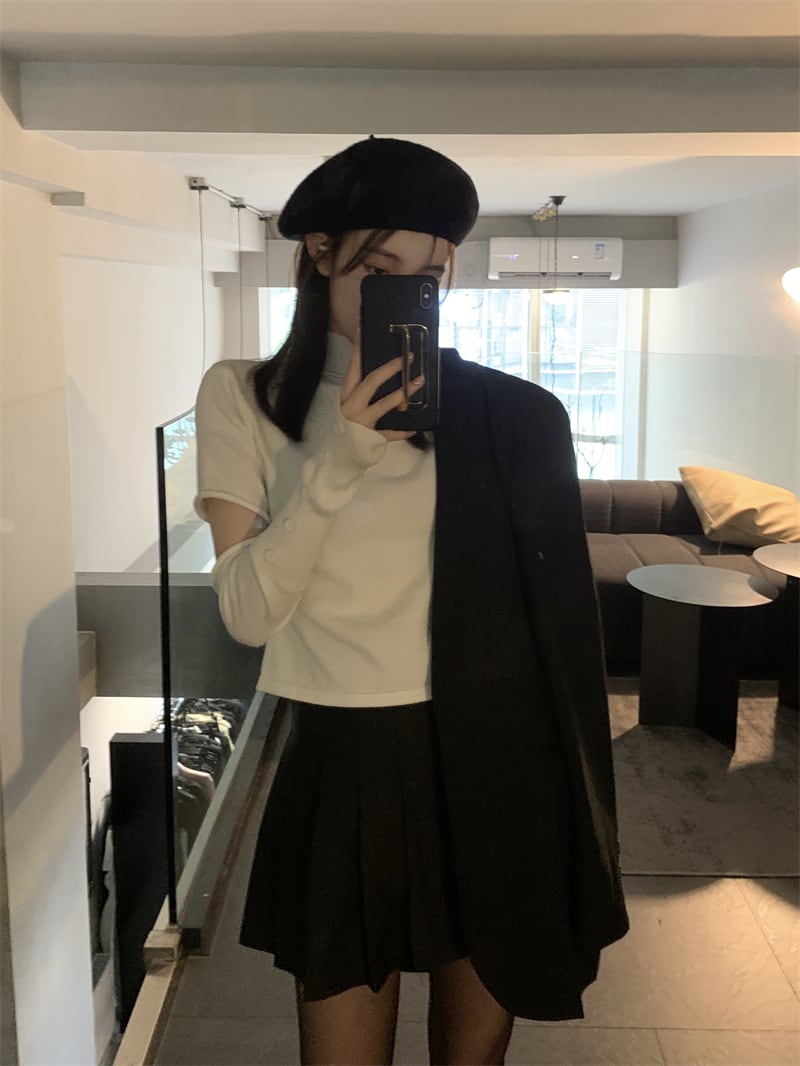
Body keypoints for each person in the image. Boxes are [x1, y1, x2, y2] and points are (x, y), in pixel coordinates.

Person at [194, 136, 629, 1066]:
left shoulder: (510, 416)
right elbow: (246, 613)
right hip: (345, 755)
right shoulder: (246, 397)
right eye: (378, 268)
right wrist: (342, 459)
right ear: (319, 253)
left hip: (498, 756)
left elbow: (560, 637)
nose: (405, 292)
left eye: (427, 276)